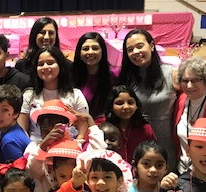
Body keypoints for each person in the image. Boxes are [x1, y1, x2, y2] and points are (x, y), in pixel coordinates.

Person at [118, 29, 178, 169]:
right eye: (130, 49)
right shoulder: (126, 78)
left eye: (140, 46)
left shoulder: (172, 74)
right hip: (135, 142)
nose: (135, 52)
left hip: (164, 142)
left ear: (151, 46)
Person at [18, 46, 89, 143]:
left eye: (50, 63)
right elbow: (22, 129)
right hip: (36, 147)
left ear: (61, 65)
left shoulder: (75, 95)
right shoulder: (29, 95)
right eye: (40, 64)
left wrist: (76, 146)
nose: (45, 67)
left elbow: (84, 129)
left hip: (68, 150)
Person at [104, 85, 157, 163]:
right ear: (111, 106)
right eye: (120, 103)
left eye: (130, 102)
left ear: (136, 106)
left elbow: (153, 153)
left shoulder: (145, 129)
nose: (126, 107)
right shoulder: (102, 126)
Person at [73, 32, 117, 121]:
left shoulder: (114, 74)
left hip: (108, 128)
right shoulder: (72, 76)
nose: (90, 52)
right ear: (79, 53)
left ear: (102, 51)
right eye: (85, 49)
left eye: (95, 48)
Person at [0, 84, 30, 164]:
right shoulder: (8, 128)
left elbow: (17, 174)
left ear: (16, 113)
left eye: (5, 110)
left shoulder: (9, 141)